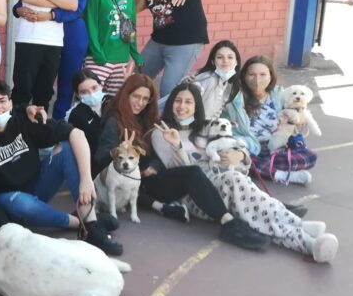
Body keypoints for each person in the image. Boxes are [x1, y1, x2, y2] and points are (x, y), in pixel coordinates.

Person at [152, 83, 337, 262]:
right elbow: (183, 173)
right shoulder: (161, 133)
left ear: (196, 106)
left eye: (188, 102)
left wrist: (240, 155)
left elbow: (235, 144)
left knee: (251, 213)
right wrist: (177, 146)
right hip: (198, 196)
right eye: (178, 101)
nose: (182, 106)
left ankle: (307, 242)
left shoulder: (205, 127)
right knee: (242, 192)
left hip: (225, 182)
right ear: (170, 103)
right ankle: (300, 229)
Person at [94, 75, 269, 249]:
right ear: (126, 94)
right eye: (136, 96)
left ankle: (256, 223)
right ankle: (228, 222)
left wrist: (154, 165)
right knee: (193, 173)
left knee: (227, 183)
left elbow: (152, 156)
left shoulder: (146, 118)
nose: (140, 103)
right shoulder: (114, 121)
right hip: (138, 184)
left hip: (151, 176)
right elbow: (99, 158)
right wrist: (119, 151)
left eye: (145, 99)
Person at [0, 81, 123, 254]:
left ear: (10, 103)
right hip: (9, 199)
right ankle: (81, 223)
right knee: (23, 205)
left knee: (67, 148)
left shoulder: (23, 121)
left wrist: (86, 179)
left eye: (2, 101)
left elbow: (76, 133)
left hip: (37, 185)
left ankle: (90, 222)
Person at [134, 0, 209, 99]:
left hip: (185, 42)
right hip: (158, 41)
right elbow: (133, 9)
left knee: (169, 90)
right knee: (136, 79)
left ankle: (167, 114)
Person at [237, 55, 317, 185]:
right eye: (252, 74)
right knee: (242, 158)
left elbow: (300, 119)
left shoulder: (280, 94)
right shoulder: (237, 98)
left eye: (263, 74)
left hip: (278, 145)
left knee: (310, 157)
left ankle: (266, 168)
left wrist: (297, 119)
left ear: (271, 76)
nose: (257, 79)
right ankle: (282, 174)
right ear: (244, 76)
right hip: (252, 146)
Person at [84, 0, 142, 95]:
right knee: (92, 97)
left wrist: (135, 54)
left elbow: (130, 28)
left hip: (121, 59)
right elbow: (90, 24)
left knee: (116, 100)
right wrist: (97, 53)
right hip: (99, 58)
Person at [52, 0, 92, 119]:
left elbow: (78, 8)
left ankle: (58, 125)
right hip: (46, 32)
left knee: (66, 87)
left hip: (74, 34)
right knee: (43, 83)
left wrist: (53, 15)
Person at [65, 69, 110, 175]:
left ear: (101, 85)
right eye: (84, 92)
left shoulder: (113, 102)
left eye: (94, 88)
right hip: (92, 167)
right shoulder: (75, 114)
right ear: (77, 95)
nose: (91, 94)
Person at [190, 40, 243, 121]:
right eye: (220, 57)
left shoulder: (229, 83)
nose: (225, 61)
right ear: (213, 62)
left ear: (236, 62)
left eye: (230, 57)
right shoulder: (208, 80)